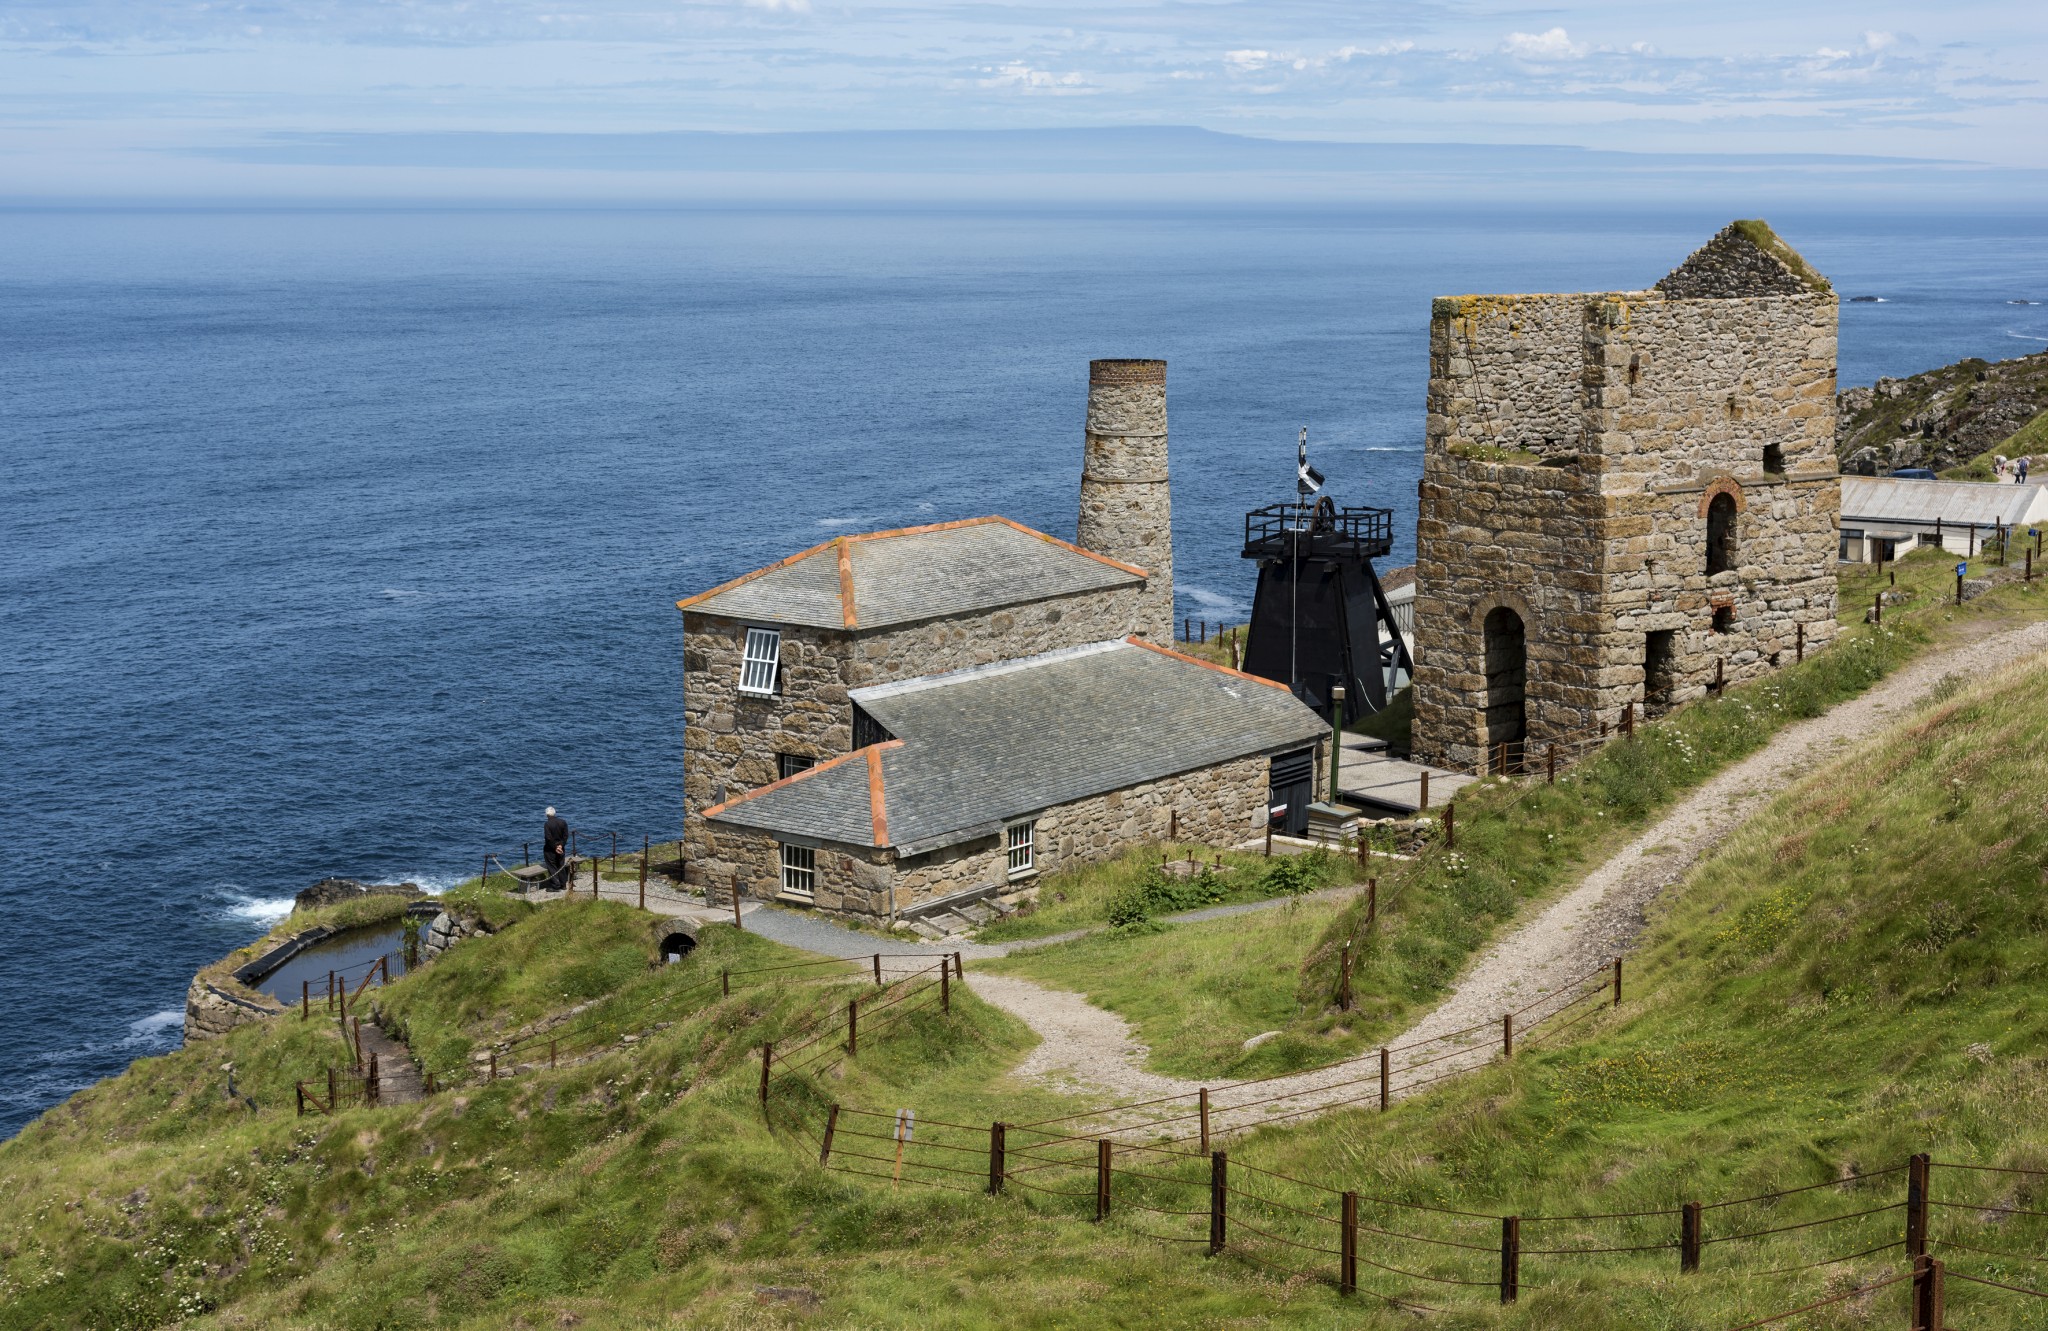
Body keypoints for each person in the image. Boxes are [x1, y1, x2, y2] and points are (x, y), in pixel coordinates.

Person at [543, 807, 569, 892]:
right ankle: (563, 884)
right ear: (555, 813)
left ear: (547, 814)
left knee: (552, 866)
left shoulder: (547, 824)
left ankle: (555, 885)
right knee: (561, 865)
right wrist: (561, 846)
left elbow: (548, 838)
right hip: (561, 848)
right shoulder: (563, 822)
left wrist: (555, 847)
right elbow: (565, 836)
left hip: (550, 849)